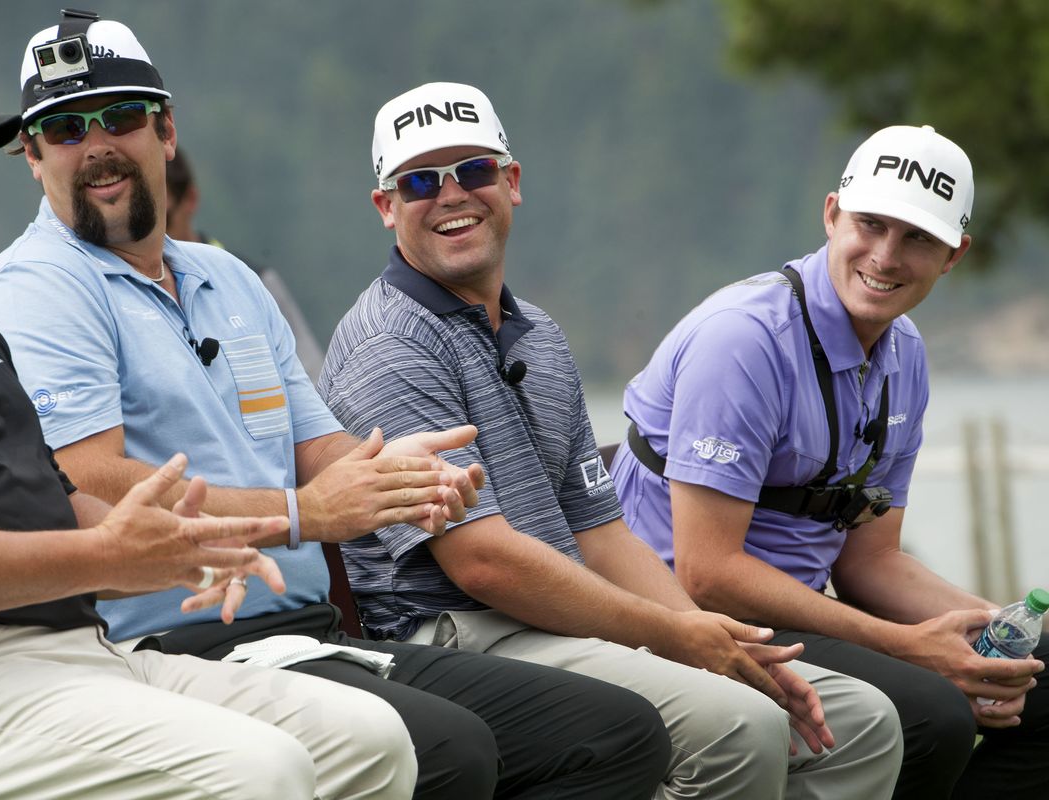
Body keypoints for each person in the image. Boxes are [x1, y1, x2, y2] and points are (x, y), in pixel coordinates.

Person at [0, 14, 671, 798]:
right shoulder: (35, 287)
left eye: (121, 118)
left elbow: (321, 449)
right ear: (31, 157)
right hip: (169, 645)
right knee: (452, 750)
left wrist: (405, 477)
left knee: (617, 734)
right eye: (64, 128)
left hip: (304, 635)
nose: (96, 143)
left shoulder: (225, 276)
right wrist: (303, 514)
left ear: (165, 131)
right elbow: (89, 479)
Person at [0, 45, 419, 800]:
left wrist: (190, 545)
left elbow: (57, 496)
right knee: (259, 771)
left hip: (72, 650)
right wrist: (103, 559)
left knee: (373, 743)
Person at [318, 80, 904, 800]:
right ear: (386, 207)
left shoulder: (539, 332)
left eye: (473, 170)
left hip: (560, 618)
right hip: (454, 630)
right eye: (419, 183)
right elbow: (483, 564)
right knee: (741, 724)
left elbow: (602, 533)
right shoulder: (388, 343)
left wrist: (714, 638)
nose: (451, 196)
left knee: (866, 723)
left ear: (512, 182)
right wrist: (674, 636)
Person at [611, 123, 1049, 799]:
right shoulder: (745, 339)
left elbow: (869, 561)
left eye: (918, 239)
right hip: (679, 617)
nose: (885, 255)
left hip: (794, 611)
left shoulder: (905, 354)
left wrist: (992, 626)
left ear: (954, 255)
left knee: (1044, 670)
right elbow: (708, 572)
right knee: (933, 713)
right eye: (870, 224)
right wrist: (907, 645)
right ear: (830, 214)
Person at [165, 145, 326, 380]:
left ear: (190, 199)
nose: (156, 235)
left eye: (164, 218)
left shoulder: (257, 281)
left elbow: (313, 378)